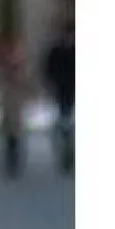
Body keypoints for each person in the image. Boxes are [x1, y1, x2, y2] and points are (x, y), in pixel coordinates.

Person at [0, 26, 31, 179]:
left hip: (15, 102)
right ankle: (10, 160)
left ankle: (14, 160)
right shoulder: (2, 64)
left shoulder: (19, 63)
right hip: (8, 103)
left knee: (15, 133)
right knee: (9, 133)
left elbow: (24, 80)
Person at [41, 19, 75, 175]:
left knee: (67, 122)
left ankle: (69, 153)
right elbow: (49, 69)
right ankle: (66, 155)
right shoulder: (56, 51)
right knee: (64, 122)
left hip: (72, 90)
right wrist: (51, 84)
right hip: (62, 91)